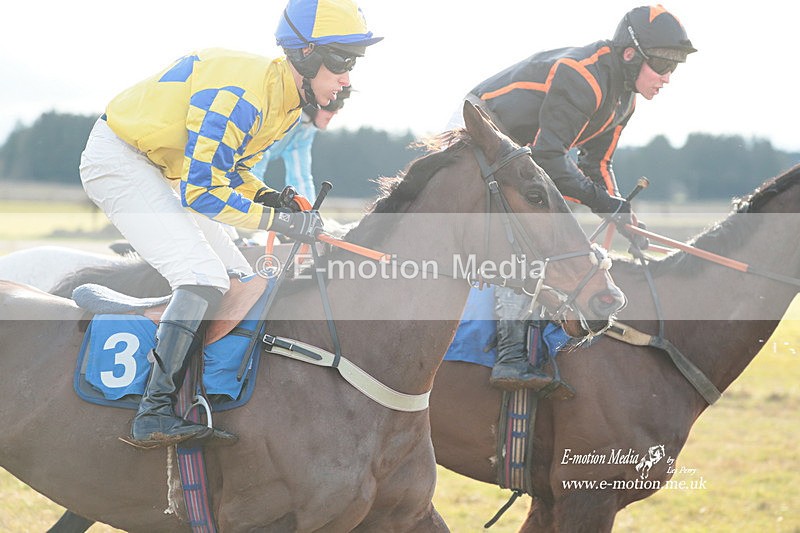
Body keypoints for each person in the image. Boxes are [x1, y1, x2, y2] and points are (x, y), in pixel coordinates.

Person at [79, 0, 381, 448]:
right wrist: (278, 220)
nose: (347, 78)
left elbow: (230, 172)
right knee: (201, 278)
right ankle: (153, 411)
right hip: (120, 160)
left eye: (352, 63)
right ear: (305, 54)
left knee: (243, 280)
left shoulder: (283, 103)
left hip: (161, 170)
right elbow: (201, 193)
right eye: (341, 61)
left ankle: (197, 389)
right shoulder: (243, 95)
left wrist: (272, 197)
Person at [448, 5, 695, 393]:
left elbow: (596, 164)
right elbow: (549, 157)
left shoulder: (624, 100)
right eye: (661, 64)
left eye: (674, 67)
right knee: (530, 238)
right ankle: (511, 355)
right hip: (483, 130)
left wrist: (621, 214)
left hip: (525, 154)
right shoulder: (583, 77)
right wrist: (605, 203)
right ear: (630, 55)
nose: (666, 77)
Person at [252, 85, 353, 199]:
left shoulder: (306, 130)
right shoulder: (281, 114)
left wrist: (309, 212)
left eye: (340, 105)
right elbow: (253, 168)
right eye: (333, 104)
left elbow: (301, 178)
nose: (336, 112)